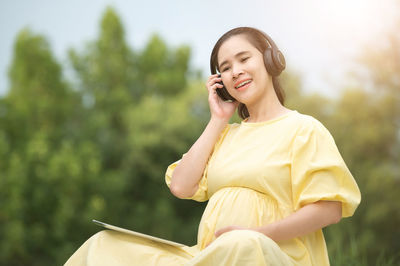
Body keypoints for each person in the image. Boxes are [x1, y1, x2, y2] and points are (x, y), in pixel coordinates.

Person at [65, 26, 361, 266]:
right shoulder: (224, 136)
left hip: (273, 255)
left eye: (244, 59)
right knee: (106, 245)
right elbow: (181, 186)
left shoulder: (303, 129)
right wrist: (218, 120)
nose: (236, 72)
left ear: (270, 60)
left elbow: (329, 209)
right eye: (226, 67)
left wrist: (255, 234)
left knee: (242, 245)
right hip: (211, 256)